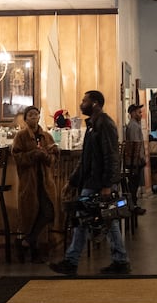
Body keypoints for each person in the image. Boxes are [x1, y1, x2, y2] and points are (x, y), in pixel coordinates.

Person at [49, 89, 129, 275]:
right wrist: (73, 181)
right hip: (91, 180)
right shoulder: (93, 125)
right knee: (92, 220)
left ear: (94, 103)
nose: (81, 104)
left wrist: (107, 184)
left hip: (98, 181)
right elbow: (86, 158)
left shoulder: (104, 124)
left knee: (104, 220)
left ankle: (116, 260)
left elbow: (111, 156)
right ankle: (115, 260)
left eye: (84, 101)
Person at [11, 105, 58, 263]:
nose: (34, 117)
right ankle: (33, 249)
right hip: (29, 182)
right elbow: (17, 157)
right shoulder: (21, 136)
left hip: (45, 181)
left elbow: (52, 158)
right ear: (25, 119)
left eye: (36, 115)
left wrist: (45, 155)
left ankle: (26, 241)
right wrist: (33, 154)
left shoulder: (46, 136)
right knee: (30, 214)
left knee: (48, 211)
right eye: (30, 115)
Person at [122, 103, 150, 215]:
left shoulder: (135, 125)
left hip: (136, 161)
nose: (141, 114)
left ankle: (133, 205)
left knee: (135, 185)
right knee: (133, 185)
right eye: (139, 112)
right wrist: (139, 160)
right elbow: (135, 144)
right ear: (132, 113)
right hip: (135, 162)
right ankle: (132, 206)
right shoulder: (133, 126)